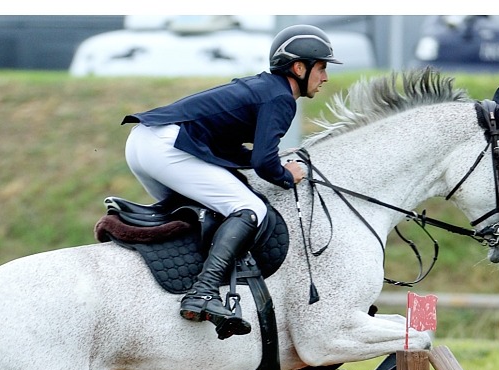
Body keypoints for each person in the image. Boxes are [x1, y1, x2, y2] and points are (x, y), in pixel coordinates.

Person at [122, 24, 340, 337]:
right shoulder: (281, 98)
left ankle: (181, 286)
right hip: (167, 146)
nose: (325, 77)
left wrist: (270, 162)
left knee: (203, 214)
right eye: (322, 68)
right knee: (251, 209)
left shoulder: (266, 88)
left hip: (143, 142)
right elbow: (264, 163)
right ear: (299, 67)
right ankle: (205, 291)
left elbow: (240, 153)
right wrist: (287, 176)